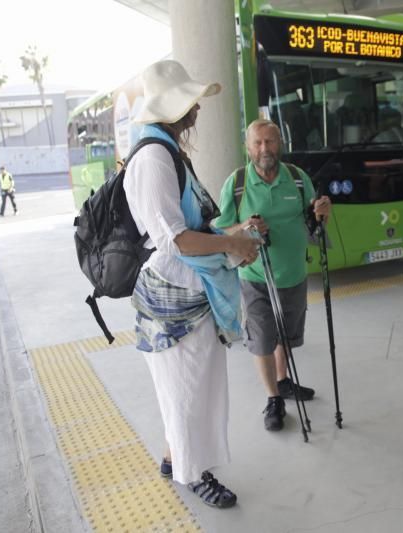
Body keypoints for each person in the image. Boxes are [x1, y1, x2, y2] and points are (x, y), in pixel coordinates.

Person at [123, 59, 260, 509]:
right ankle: (192, 472)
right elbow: (174, 238)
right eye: (193, 101)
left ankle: (173, 456)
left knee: (190, 386)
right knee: (187, 391)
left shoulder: (166, 152)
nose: (198, 109)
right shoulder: (153, 158)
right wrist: (230, 247)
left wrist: (231, 234)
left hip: (188, 292)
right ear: (175, 106)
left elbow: (189, 224)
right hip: (174, 295)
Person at [214, 119, 331, 432]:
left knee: (285, 336)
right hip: (255, 277)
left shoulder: (296, 177)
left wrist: (321, 211)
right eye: (258, 143)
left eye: (270, 142)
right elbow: (221, 229)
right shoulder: (237, 183)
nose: (264, 149)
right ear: (248, 147)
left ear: (280, 144)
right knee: (263, 340)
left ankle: (283, 381)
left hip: (294, 274)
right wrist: (245, 227)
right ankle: (273, 399)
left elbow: (312, 216)